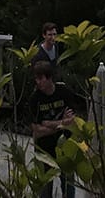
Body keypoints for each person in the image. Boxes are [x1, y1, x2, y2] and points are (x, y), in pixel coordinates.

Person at [29, 61, 76, 198]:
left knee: (68, 186)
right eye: (36, 78)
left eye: (40, 78)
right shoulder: (35, 99)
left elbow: (72, 121)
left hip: (65, 147)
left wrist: (49, 123)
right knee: (45, 188)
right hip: (44, 150)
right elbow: (37, 130)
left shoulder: (64, 92)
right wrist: (61, 123)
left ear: (49, 78)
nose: (37, 82)